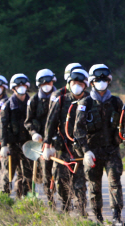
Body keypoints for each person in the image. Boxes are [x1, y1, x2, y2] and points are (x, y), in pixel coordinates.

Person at [73, 64, 125, 226]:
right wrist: (85, 151)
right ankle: (98, 218)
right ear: (92, 82)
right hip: (92, 152)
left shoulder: (116, 102)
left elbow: (124, 126)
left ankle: (116, 217)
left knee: (114, 183)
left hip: (112, 151)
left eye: (104, 80)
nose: (101, 83)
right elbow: (78, 130)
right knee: (94, 186)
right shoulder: (85, 103)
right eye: (97, 80)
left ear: (109, 81)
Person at [43, 68, 90, 215]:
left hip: (81, 149)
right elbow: (50, 124)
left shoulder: (90, 100)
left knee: (80, 182)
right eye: (74, 82)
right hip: (63, 147)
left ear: (85, 85)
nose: (77, 85)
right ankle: (65, 208)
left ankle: (81, 212)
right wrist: (47, 144)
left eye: (80, 83)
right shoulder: (61, 100)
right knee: (61, 179)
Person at [25, 69, 57, 205]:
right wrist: (34, 133)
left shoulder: (60, 97)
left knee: (61, 173)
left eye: (48, 81)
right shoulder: (34, 101)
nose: (47, 84)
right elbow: (28, 121)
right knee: (46, 172)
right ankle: (51, 202)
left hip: (58, 141)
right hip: (42, 142)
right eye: (43, 82)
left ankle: (67, 199)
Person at [0, 74, 33, 197]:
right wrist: (3, 145)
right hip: (11, 145)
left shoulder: (31, 103)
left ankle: (24, 201)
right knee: (7, 174)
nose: (21, 88)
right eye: (18, 86)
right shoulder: (7, 105)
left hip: (28, 145)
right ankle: (3, 200)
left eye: (23, 85)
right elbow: (1, 125)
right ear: (13, 88)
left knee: (27, 175)